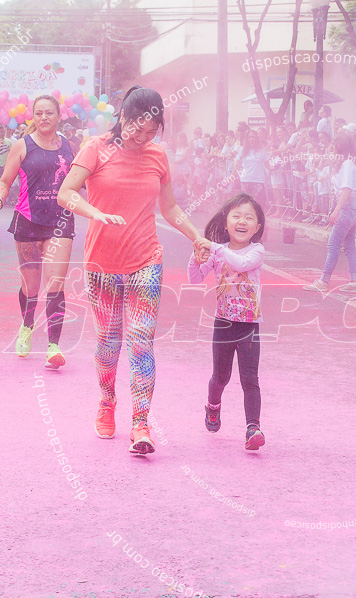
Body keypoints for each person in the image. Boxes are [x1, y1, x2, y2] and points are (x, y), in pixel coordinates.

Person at [57, 86, 211, 454]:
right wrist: (95, 213)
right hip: (102, 263)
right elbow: (67, 193)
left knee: (141, 343)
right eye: (136, 129)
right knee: (109, 344)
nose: (142, 138)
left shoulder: (157, 156)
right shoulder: (95, 149)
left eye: (150, 132)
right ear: (123, 118)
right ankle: (107, 401)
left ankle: (141, 423)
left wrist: (196, 236)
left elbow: (170, 209)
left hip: (146, 261)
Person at [0, 94, 76, 369]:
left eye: (49, 113)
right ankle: (27, 326)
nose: (44, 118)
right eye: (39, 113)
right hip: (27, 220)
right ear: (32, 117)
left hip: (60, 221)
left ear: (59, 116)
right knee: (31, 286)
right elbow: (5, 180)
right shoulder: (22, 146)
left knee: (55, 284)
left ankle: (53, 346)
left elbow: (81, 182)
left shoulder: (70, 148)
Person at [188, 193, 267, 450]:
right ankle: (213, 405)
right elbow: (195, 278)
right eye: (236, 215)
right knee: (221, 377)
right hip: (223, 324)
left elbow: (241, 263)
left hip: (249, 326)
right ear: (226, 223)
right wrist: (197, 256)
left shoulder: (256, 251)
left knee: (249, 379)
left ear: (257, 228)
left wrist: (214, 247)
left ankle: (252, 428)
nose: (242, 221)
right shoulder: (218, 252)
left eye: (249, 217)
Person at [304, 134, 356, 292]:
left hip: (348, 206)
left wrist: (336, 210)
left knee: (333, 244)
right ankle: (354, 282)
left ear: (339, 147)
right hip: (351, 206)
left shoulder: (348, 164)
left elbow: (347, 190)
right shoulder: (346, 164)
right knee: (349, 245)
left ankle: (324, 281)